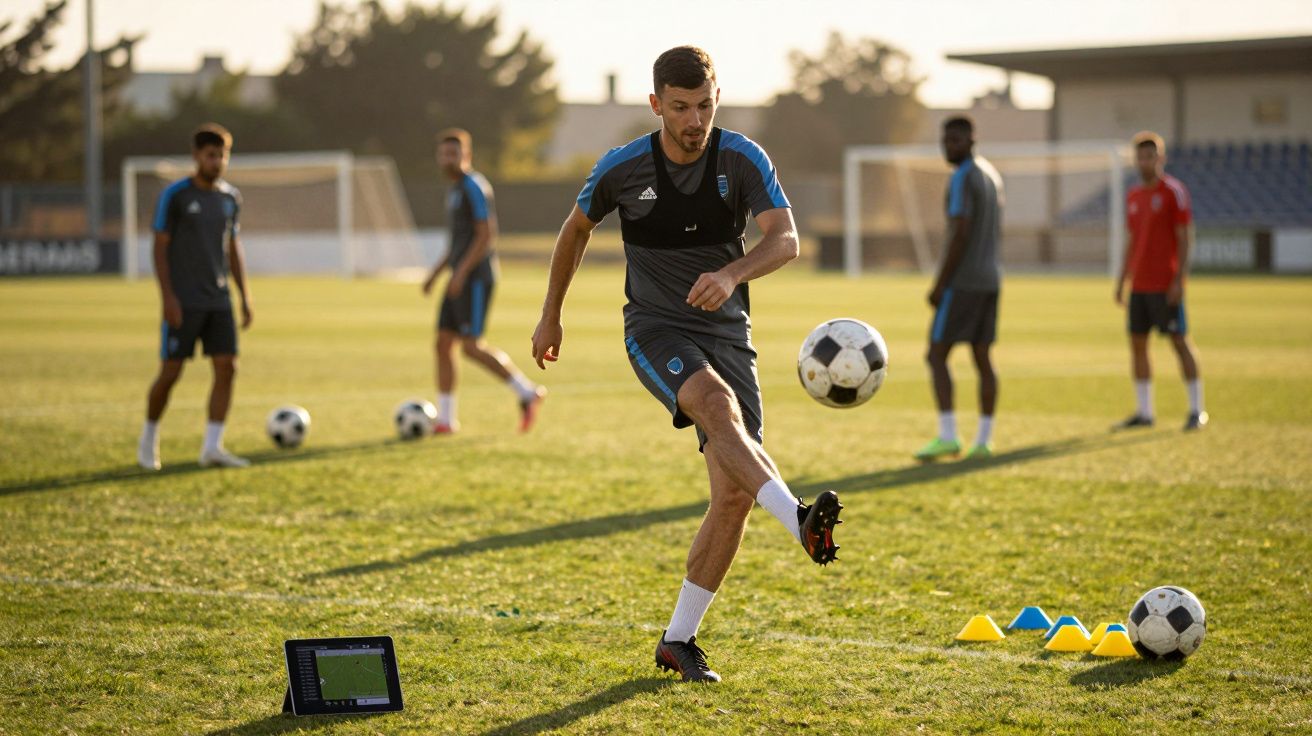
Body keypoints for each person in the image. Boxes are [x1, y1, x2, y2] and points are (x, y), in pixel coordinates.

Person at [530, 46, 842, 683]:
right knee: (715, 404)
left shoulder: (742, 157)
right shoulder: (623, 167)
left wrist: (731, 274)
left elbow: (785, 239)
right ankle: (799, 519)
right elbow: (575, 229)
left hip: (728, 334)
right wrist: (550, 314)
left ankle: (678, 640)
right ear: (656, 105)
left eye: (704, 105)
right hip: (656, 329)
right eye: (679, 108)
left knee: (732, 497)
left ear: (716, 99)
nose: (694, 120)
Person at [137, 123, 252, 470]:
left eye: (222, 156)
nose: (217, 162)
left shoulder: (230, 198)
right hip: (184, 300)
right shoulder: (176, 196)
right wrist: (168, 298)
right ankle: (148, 438)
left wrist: (245, 297)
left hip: (219, 300)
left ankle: (212, 447)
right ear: (196, 156)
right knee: (171, 372)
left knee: (227, 368)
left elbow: (232, 248)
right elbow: (159, 248)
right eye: (211, 155)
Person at [422, 128, 546, 434]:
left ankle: (527, 392)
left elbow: (486, 235)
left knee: (471, 347)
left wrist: (461, 273)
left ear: (466, 156)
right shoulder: (454, 190)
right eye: (444, 154)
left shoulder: (474, 186)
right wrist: (435, 274)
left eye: (454, 153)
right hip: (458, 277)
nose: (448, 159)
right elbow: (456, 243)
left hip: (476, 278)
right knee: (443, 344)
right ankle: (446, 420)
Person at [915, 116, 1004, 462]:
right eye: (945, 140)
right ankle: (983, 441)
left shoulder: (963, 177)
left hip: (964, 282)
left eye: (955, 140)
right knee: (982, 357)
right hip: (991, 279)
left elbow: (961, 231)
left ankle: (948, 436)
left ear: (971, 140)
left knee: (936, 355)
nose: (949, 146)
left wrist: (940, 283)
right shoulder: (991, 174)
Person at [1115, 131, 1207, 431]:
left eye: (1150, 156)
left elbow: (1184, 238)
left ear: (1161, 158)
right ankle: (1145, 412)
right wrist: (1122, 279)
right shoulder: (1133, 195)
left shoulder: (1173, 192)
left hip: (1165, 285)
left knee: (1179, 342)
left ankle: (1197, 409)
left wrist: (1180, 279)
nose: (1145, 162)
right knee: (1137, 345)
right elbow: (1132, 240)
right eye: (1140, 157)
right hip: (1139, 285)